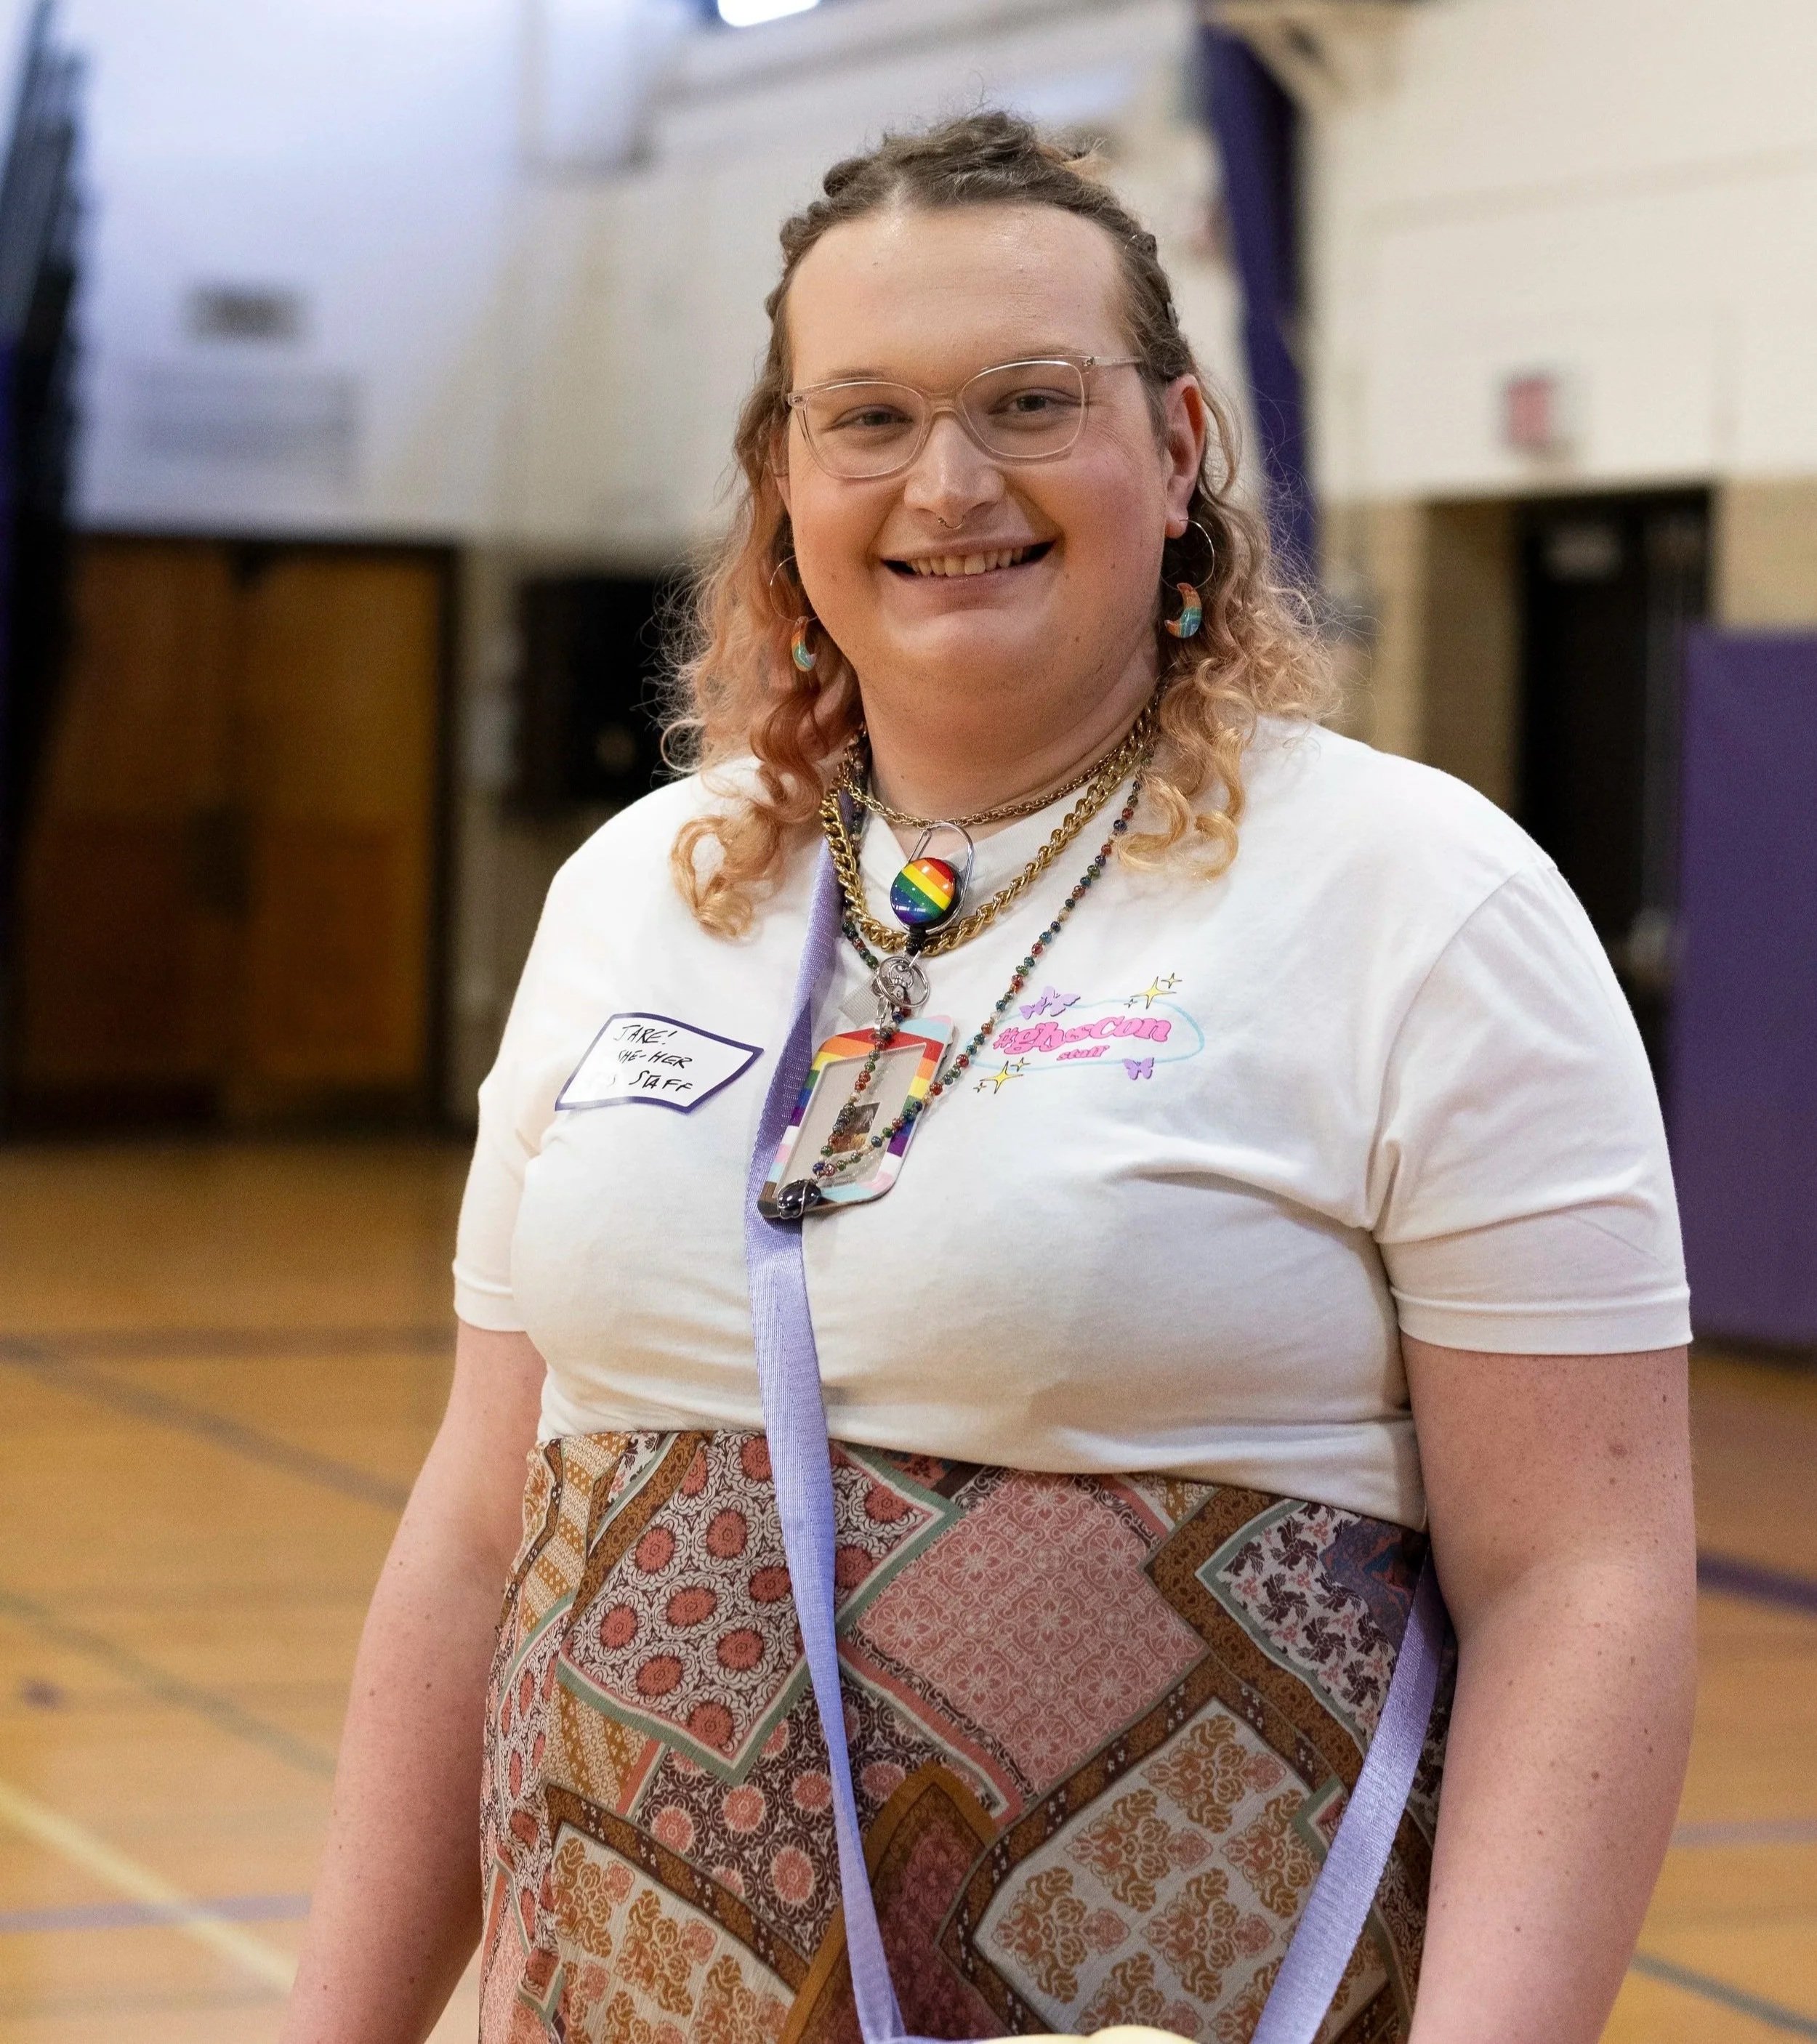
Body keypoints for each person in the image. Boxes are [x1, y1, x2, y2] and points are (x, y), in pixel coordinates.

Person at [282, 114, 1696, 2044]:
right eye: (863, 417)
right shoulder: (637, 888)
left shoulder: (1418, 899)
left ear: (1178, 445)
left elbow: (1580, 1581)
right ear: (782, 476)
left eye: (1030, 399)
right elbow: (472, 1527)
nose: (948, 481)